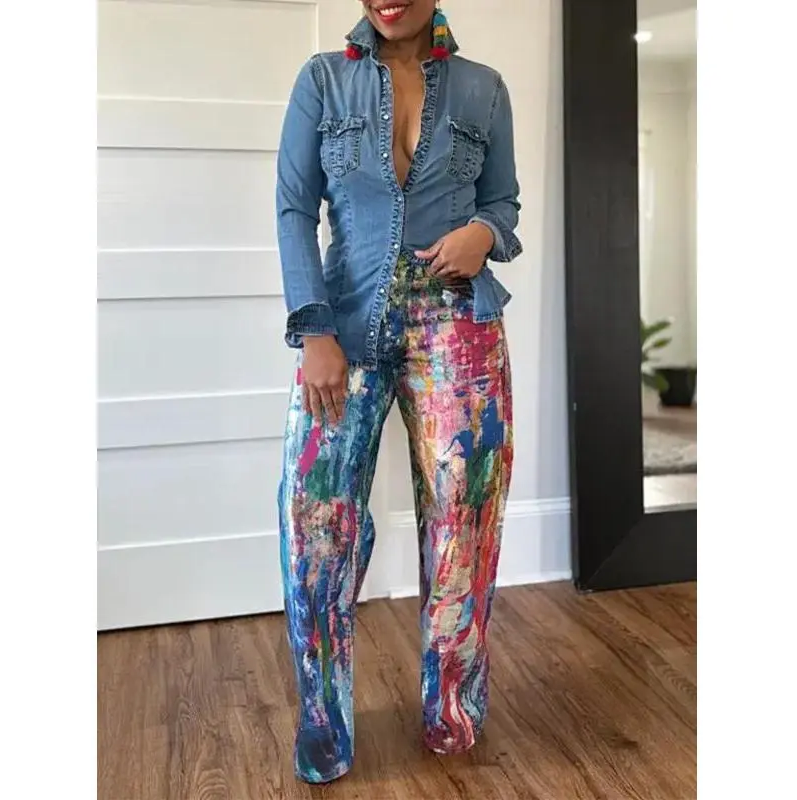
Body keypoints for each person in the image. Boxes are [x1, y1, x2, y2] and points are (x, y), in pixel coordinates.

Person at [276, 0, 522, 784]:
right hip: (346, 321)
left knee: (463, 522)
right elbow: (294, 208)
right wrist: (314, 328)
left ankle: (453, 713)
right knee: (316, 518)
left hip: (460, 326)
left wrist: (484, 235)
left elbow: (504, 205)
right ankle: (324, 729)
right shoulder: (323, 80)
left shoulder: (484, 88)